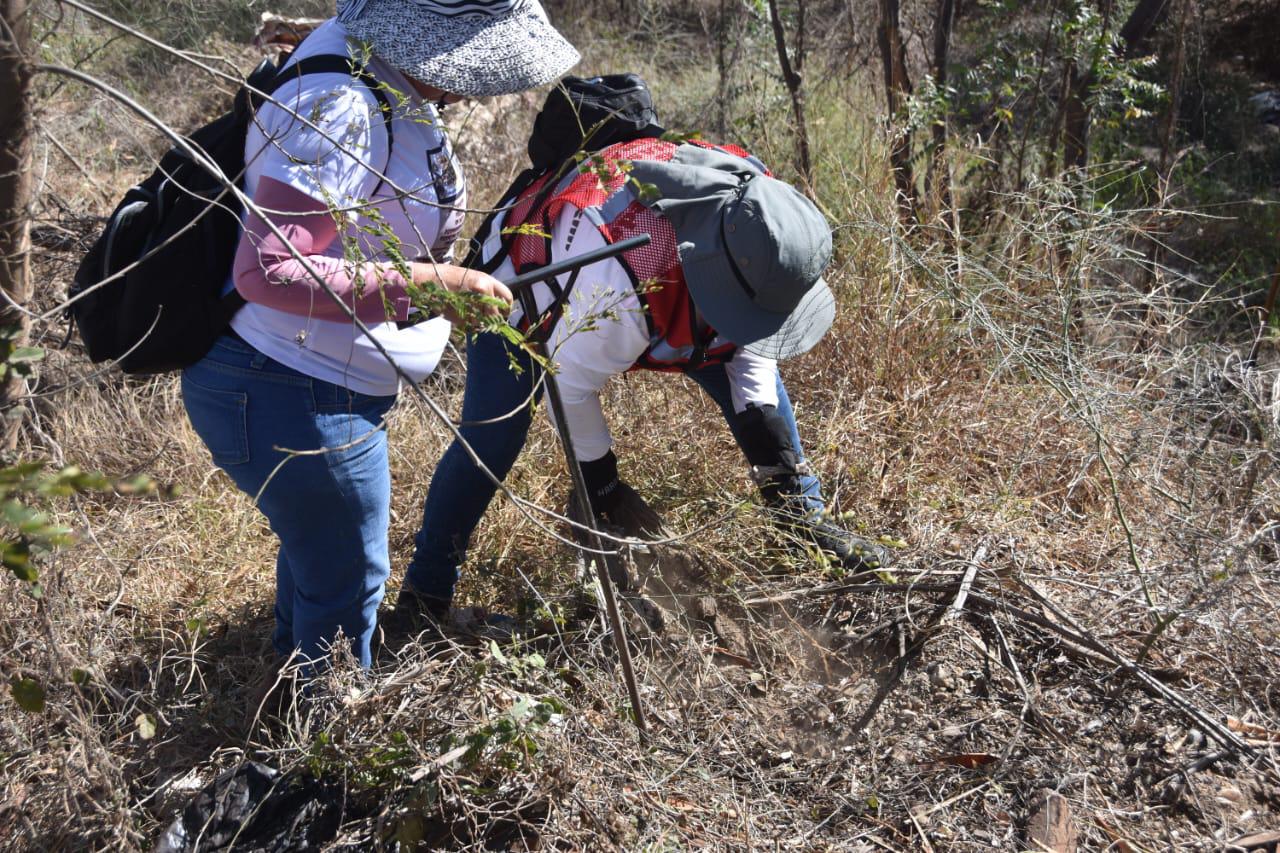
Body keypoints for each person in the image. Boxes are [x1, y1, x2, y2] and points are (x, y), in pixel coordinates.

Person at [180, 0, 579, 670]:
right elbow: (271, 270)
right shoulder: (340, 104)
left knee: (323, 557)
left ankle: (289, 705)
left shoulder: (378, 70)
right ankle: (322, 748)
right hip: (290, 385)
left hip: (314, 383)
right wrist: (434, 287)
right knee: (346, 583)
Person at [396, 132, 892, 624]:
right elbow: (567, 386)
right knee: (492, 437)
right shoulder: (617, 287)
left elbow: (754, 341)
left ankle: (803, 527)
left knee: (760, 411)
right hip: (523, 290)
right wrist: (603, 483)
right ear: (713, 282)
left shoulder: (766, 219)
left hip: (657, 281)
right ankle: (423, 598)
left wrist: (776, 458)